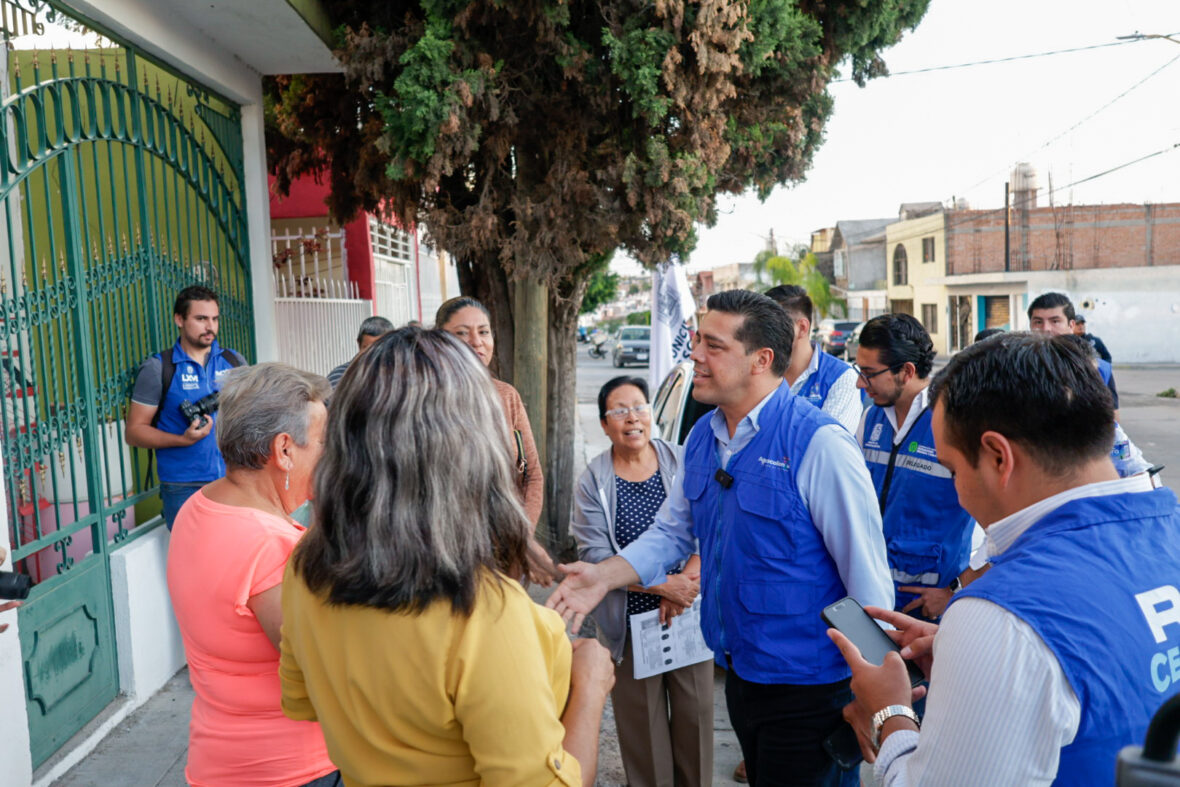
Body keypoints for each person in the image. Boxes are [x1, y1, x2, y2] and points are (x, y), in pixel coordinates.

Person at [548, 289, 894, 787]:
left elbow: (869, 585)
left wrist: (870, 698)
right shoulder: (704, 438)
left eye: (713, 345)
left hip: (812, 690)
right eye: (696, 341)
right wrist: (602, 576)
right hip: (742, 676)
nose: (695, 355)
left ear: (761, 360)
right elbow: (671, 533)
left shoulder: (819, 444)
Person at [829, 332, 1180, 786]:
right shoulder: (1166, 529)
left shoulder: (1004, 613)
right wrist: (973, 652)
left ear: (997, 455)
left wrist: (891, 714)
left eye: (953, 470)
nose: (956, 490)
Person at [279, 328, 615, 786]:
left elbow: (301, 700)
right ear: (474, 450)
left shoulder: (306, 566)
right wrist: (591, 688)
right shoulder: (486, 613)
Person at [166, 363, 337, 787]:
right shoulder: (271, 545)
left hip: (219, 760)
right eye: (323, 442)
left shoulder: (199, 507)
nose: (331, 455)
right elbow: (326, 670)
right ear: (283, 450)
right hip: (292, 770)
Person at [571, 375, 713, 787]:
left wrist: (685, 583)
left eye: (639, 407)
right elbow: (595, 557)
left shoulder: (682, 459)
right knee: (643, 735)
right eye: (619, 411)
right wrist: (660, 586)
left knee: (696, 719)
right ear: (604, 424)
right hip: (628, 624)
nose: (632, 418)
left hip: (687, 612)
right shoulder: (593, 482)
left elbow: (708, 524)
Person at [854, 314, 975, 621]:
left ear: (906, 371)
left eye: (868, 373)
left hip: (929, 613)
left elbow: (1005, 530)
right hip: (873, 602)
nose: (859, 383)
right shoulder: (870, 421)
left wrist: (956, 590)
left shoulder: (955, 423)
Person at [436, 296, 558, 584]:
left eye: (484, 331)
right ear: (441, 340)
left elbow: (533, 476)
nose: (476, 342)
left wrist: (522, 540)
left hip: (508, 558)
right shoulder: (427, 402)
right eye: (462, 333)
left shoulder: (507, 397)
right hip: (448, 560)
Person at [126, 285, 246, 528]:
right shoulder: (159, 368)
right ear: (179, 319)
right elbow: (134, 432)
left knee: (234, 559)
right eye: (201, 318)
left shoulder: (233, 361)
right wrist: (182, 440)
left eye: (214, 319)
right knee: (193, 560)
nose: (210, 326)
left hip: (233, 478)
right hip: (184, 486)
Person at [764, 285, 862, 433]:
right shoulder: (758, 373)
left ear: (802, 328)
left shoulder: (842, 378)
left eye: (772, 327)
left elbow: (827, 446)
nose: (762, 336)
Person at [1028, 292, 1119, 413]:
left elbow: (1111, 419)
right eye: (1038, 322)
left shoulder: (1099, 368)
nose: (1046, 329)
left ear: (1071, 325)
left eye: (1055, 321)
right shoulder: (1016, 367)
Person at [326, 315, 394, 387]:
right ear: (359, 344)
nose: (373, 354)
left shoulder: (400, 375)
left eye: (380, 348)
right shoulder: (340, 376)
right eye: (367, 348)